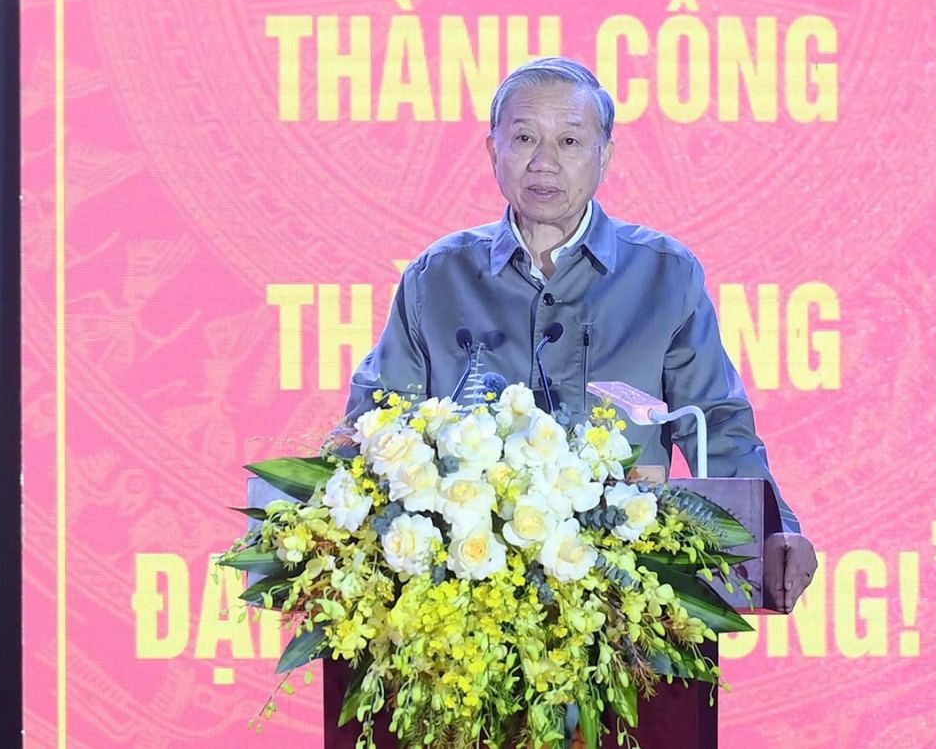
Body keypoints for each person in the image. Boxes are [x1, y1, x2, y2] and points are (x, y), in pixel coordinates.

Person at [342, 57, 817, 611]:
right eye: (524, 138)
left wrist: (775, 531)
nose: (544, 162)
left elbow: (716, 424)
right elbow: (378, 420)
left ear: (604, 156)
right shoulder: (438, 276)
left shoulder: (665, 275)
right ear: (493, 151)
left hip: (629, 597)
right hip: (464, 598)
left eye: (569, 141)